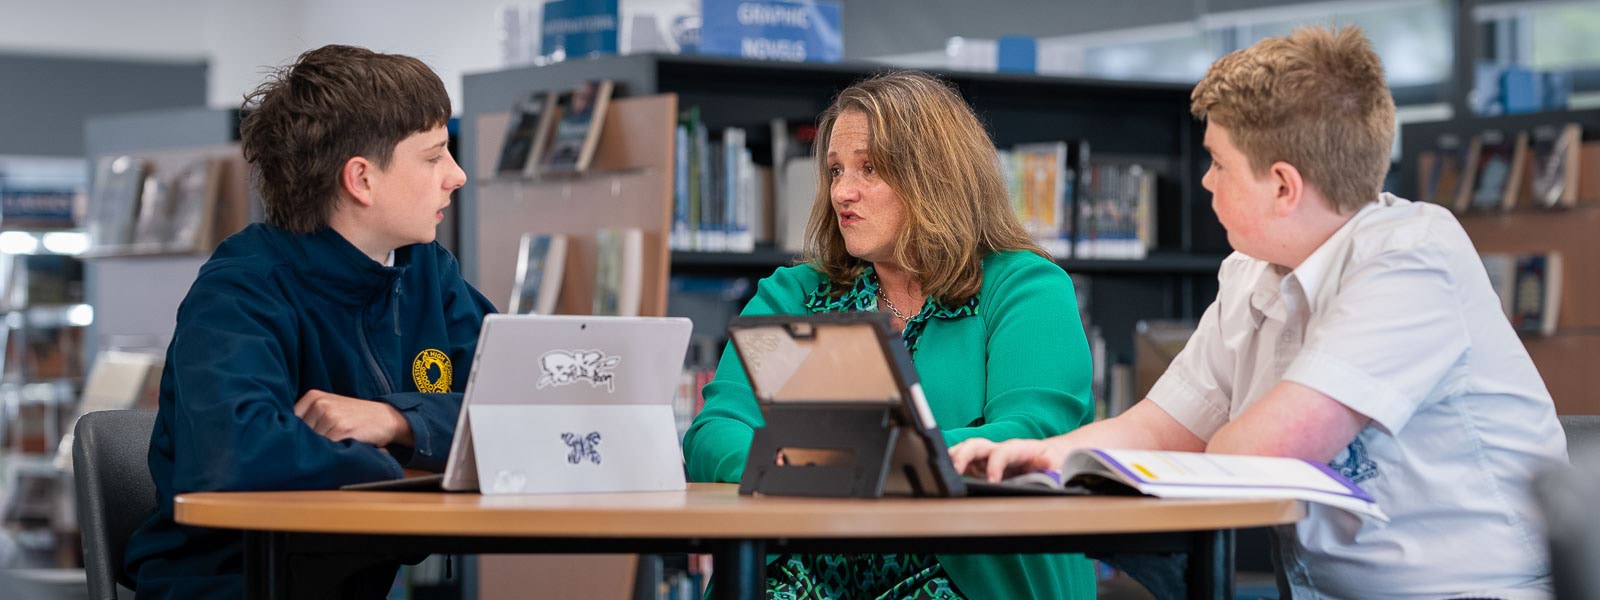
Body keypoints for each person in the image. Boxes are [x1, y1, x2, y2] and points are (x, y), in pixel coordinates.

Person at [951, 26, 1566, 600]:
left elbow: (1261, 454)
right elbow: (1164, 425)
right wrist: (1057, 457)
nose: (1205, 183)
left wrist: (1200, 447)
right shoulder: (1253, 267)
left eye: (1218, 162)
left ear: (1283, 186)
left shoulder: (1415, 257)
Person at [682, 71, 1097, 600]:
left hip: (961, 571)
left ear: (935, 176)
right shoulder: (794, 293)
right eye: (835, 170)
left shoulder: (1023, 287)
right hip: (801, 570)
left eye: (869, 169)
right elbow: (715, 431)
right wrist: (805, 466)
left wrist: (844, 462)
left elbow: (1029, 436)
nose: (842, 192)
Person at [124, 45, 497, 599]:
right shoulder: (242, 288)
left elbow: (517, 406)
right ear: (361, 180)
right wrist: (412, 458)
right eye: (434, 156)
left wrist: (395, 422)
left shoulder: (426, 273)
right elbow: (239, 453)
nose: (458, 175)